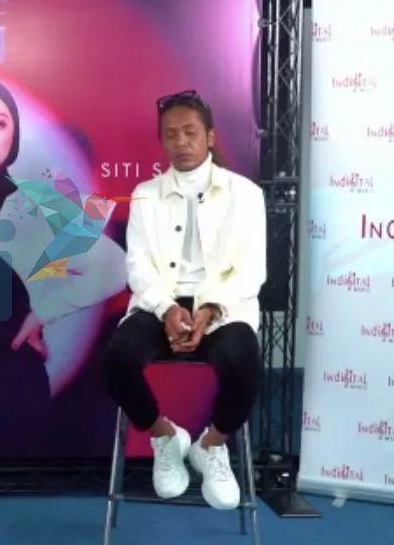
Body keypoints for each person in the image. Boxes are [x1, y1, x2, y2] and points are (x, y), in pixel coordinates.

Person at [101, 90, 265, 511]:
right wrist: (168, 308)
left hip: (224, 308)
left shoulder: (246, 194)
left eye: (190, 133)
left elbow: (252, 271)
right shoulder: (146, 194)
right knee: (117, 360)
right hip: (160, 304)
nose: (181, 142)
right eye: (171, 135)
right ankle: (166, 436)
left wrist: (210, 309)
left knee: (243, 361)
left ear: (210, 136)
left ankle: (212, 445)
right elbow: (138, 267)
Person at [0, 79, 127, 455]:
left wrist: (44, 310)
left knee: (16, 475)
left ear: (13, 133)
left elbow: (113, 268)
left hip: (10, 375)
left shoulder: (41, 196)